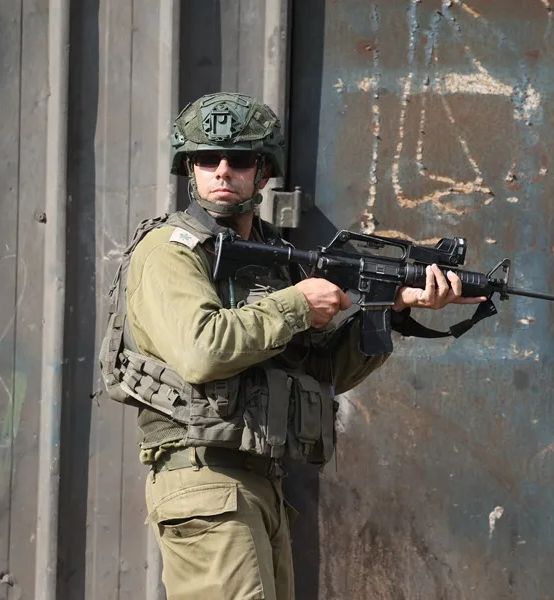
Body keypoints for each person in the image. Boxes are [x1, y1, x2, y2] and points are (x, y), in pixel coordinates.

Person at [98, 92, 485, 600]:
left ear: (263, 173)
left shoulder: (273, 259)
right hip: (205, 478)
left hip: (261, 484)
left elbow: (323, 371)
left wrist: (391, 308)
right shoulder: (170, 251)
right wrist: (298, 303)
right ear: (188, 169)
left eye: (238, 160)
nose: (221, 172)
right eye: (206, 159)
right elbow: (201, 350)